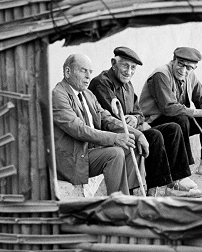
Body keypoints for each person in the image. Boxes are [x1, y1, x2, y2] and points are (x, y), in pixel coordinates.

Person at [89, 47, 202, 197]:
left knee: (173, 129)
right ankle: (152, 192)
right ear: (113, 63)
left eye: (133, 68)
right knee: (154, 136)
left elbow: (139, 112)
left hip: (133, 130)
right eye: (125, 65)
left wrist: (135, 118)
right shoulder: (102, 83)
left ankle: (175, 184)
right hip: (115, 136)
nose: (128, 71)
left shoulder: (127, 84)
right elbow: (109, 121)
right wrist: (134, 125)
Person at [52, 53, 148, 195]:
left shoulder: (88, 94)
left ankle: (134, 196)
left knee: (132, 146)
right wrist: (115, 138)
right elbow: (79, 130)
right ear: (67, 72)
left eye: (90, 72)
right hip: (73, 158)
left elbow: (106, 119)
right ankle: (119, 206)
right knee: (115, 153)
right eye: (83, 71)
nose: (88, 77)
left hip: (90, 152)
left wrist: (137, 134)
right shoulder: (58, 95)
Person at [139, 47, 202, 176]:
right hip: (153, 122)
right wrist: (201, 112)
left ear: (194, 68)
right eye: (180, 64)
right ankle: (181, 172)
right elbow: (169, 108)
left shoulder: (191, 76)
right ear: (173, 60)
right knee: (181, 119)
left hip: (177, 119)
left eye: (189, 67)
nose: (183, 70)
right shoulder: (161, 75)